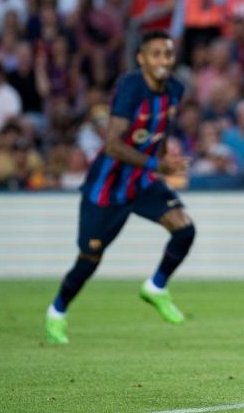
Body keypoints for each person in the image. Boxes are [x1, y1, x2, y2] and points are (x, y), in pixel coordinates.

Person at [44, 31, 195, 344]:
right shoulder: (130, 87)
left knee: (184, 228)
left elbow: (161, 130)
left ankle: (155, 287)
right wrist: (157, 165)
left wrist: (164, 159)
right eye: (155, 54)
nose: (163, 60)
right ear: (141, 59)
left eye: (167, 53)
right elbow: (112, 145)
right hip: (106, 188)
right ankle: (57, 311)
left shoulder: (176, 89)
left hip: (143, 183)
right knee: (90, 258)